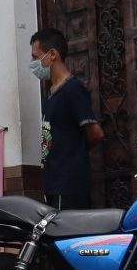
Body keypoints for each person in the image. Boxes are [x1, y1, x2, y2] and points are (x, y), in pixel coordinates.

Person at [31, 27, 103, 209]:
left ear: (52, 54)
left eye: (35, 57)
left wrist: (73, 152)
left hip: (68, 185)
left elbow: (95, 134)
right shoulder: (51, 95)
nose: (32, 63)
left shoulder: (73, 90)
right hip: (53, 185)